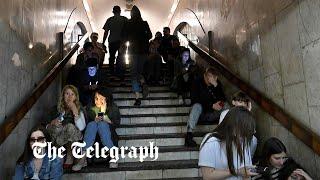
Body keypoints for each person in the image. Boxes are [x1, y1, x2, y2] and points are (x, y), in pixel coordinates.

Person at [199, 107, 258, 180]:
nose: (245, 136)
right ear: (234, 127)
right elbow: (207, 175)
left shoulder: (243, 140)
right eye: (244, 131)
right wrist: (237, 171)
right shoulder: (211, 141)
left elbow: (246, 172)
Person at [72, 88, 119, 171]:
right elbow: (84, 125)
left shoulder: (113, 108)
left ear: (107, 99)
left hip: (108, 136)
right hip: (92, 138)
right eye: (96, 98)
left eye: (101, 98)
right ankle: (82, 158)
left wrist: (108, 120)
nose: (98, 101)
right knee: (92, 124)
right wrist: (94, 120)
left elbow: (116, 124)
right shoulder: (90, 107)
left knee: (102, 124)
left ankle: (113, 156)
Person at [45, 85, 86, 168]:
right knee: (57, 128)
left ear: (75, 97)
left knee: (70, 127)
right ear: (63, 96)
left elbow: (81, 127)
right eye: (67, 94)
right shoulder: (55, 109)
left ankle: (76, 157)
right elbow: (45, 125)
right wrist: (52, 122)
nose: (69, 97)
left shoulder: (79, 108)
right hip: (58, 138)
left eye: (72, 94)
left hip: (74, 136)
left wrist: (75, 111)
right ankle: (61, 155)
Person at [185, 67, 226, 147]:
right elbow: (195, 99)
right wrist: (211, 105)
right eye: (210, 77)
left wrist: (216, 86)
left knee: (227, 106)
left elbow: (223, 99)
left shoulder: (216, 84)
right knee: (197, 106)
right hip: (200, 114)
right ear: (206, 76)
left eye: (214, 78)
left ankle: (224, 135)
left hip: (212, 114)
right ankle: (189, 135)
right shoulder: (197, 82)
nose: (212, 80)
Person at [122, 5, 152, 106]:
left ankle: (138, 97)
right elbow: (150, 35)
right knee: (139, 71)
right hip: (143, 51)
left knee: (133, 73)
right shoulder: (144, 23)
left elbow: (124, 37)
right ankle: (143, 83)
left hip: (133, 51)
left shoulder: (128, 23)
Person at [218, 92, 257, 156]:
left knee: (254, 140)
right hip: (228, 138)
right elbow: (221, 130)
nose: (243, 105)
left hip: (241, 138)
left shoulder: (247, 114)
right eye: (240, 102)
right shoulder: (225, 113)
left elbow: (251, 131)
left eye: (245, 103)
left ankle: (248, 160)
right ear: (233, 102)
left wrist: (248, 112)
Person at [102, 5, 128, 75]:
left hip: (112, 41)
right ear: (120, 11)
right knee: (122, 57)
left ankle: (112, 72)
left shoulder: (110, 20)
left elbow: (106, 32)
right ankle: (121, 72)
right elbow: (128, 31)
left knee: (112, 57)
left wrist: (103, 42)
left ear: (113, 12)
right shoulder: (125, 19)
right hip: (122, 42)